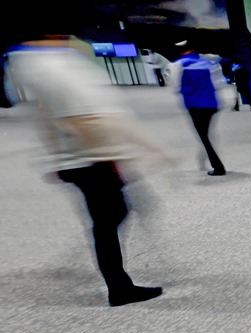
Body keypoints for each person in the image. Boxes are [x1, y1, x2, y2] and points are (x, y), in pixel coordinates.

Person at [8, 34, 169, 306]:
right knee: (109, 219)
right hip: (91, 160)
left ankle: (117, 283)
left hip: (76, 159)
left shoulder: (35, 68)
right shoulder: (58, 68)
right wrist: (111, 154)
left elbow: (47, 116)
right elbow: (84, 119)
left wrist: (56, 155)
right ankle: (119, 288)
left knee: (111, 216)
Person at [173, 42, 227, 176]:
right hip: (212, 103)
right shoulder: (209, 63)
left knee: (203, 136)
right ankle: (204, 161)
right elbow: (220, 83)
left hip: (195, 105)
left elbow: (175, 86)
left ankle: (218, 167)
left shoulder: (178, 64)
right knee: (207, 134)